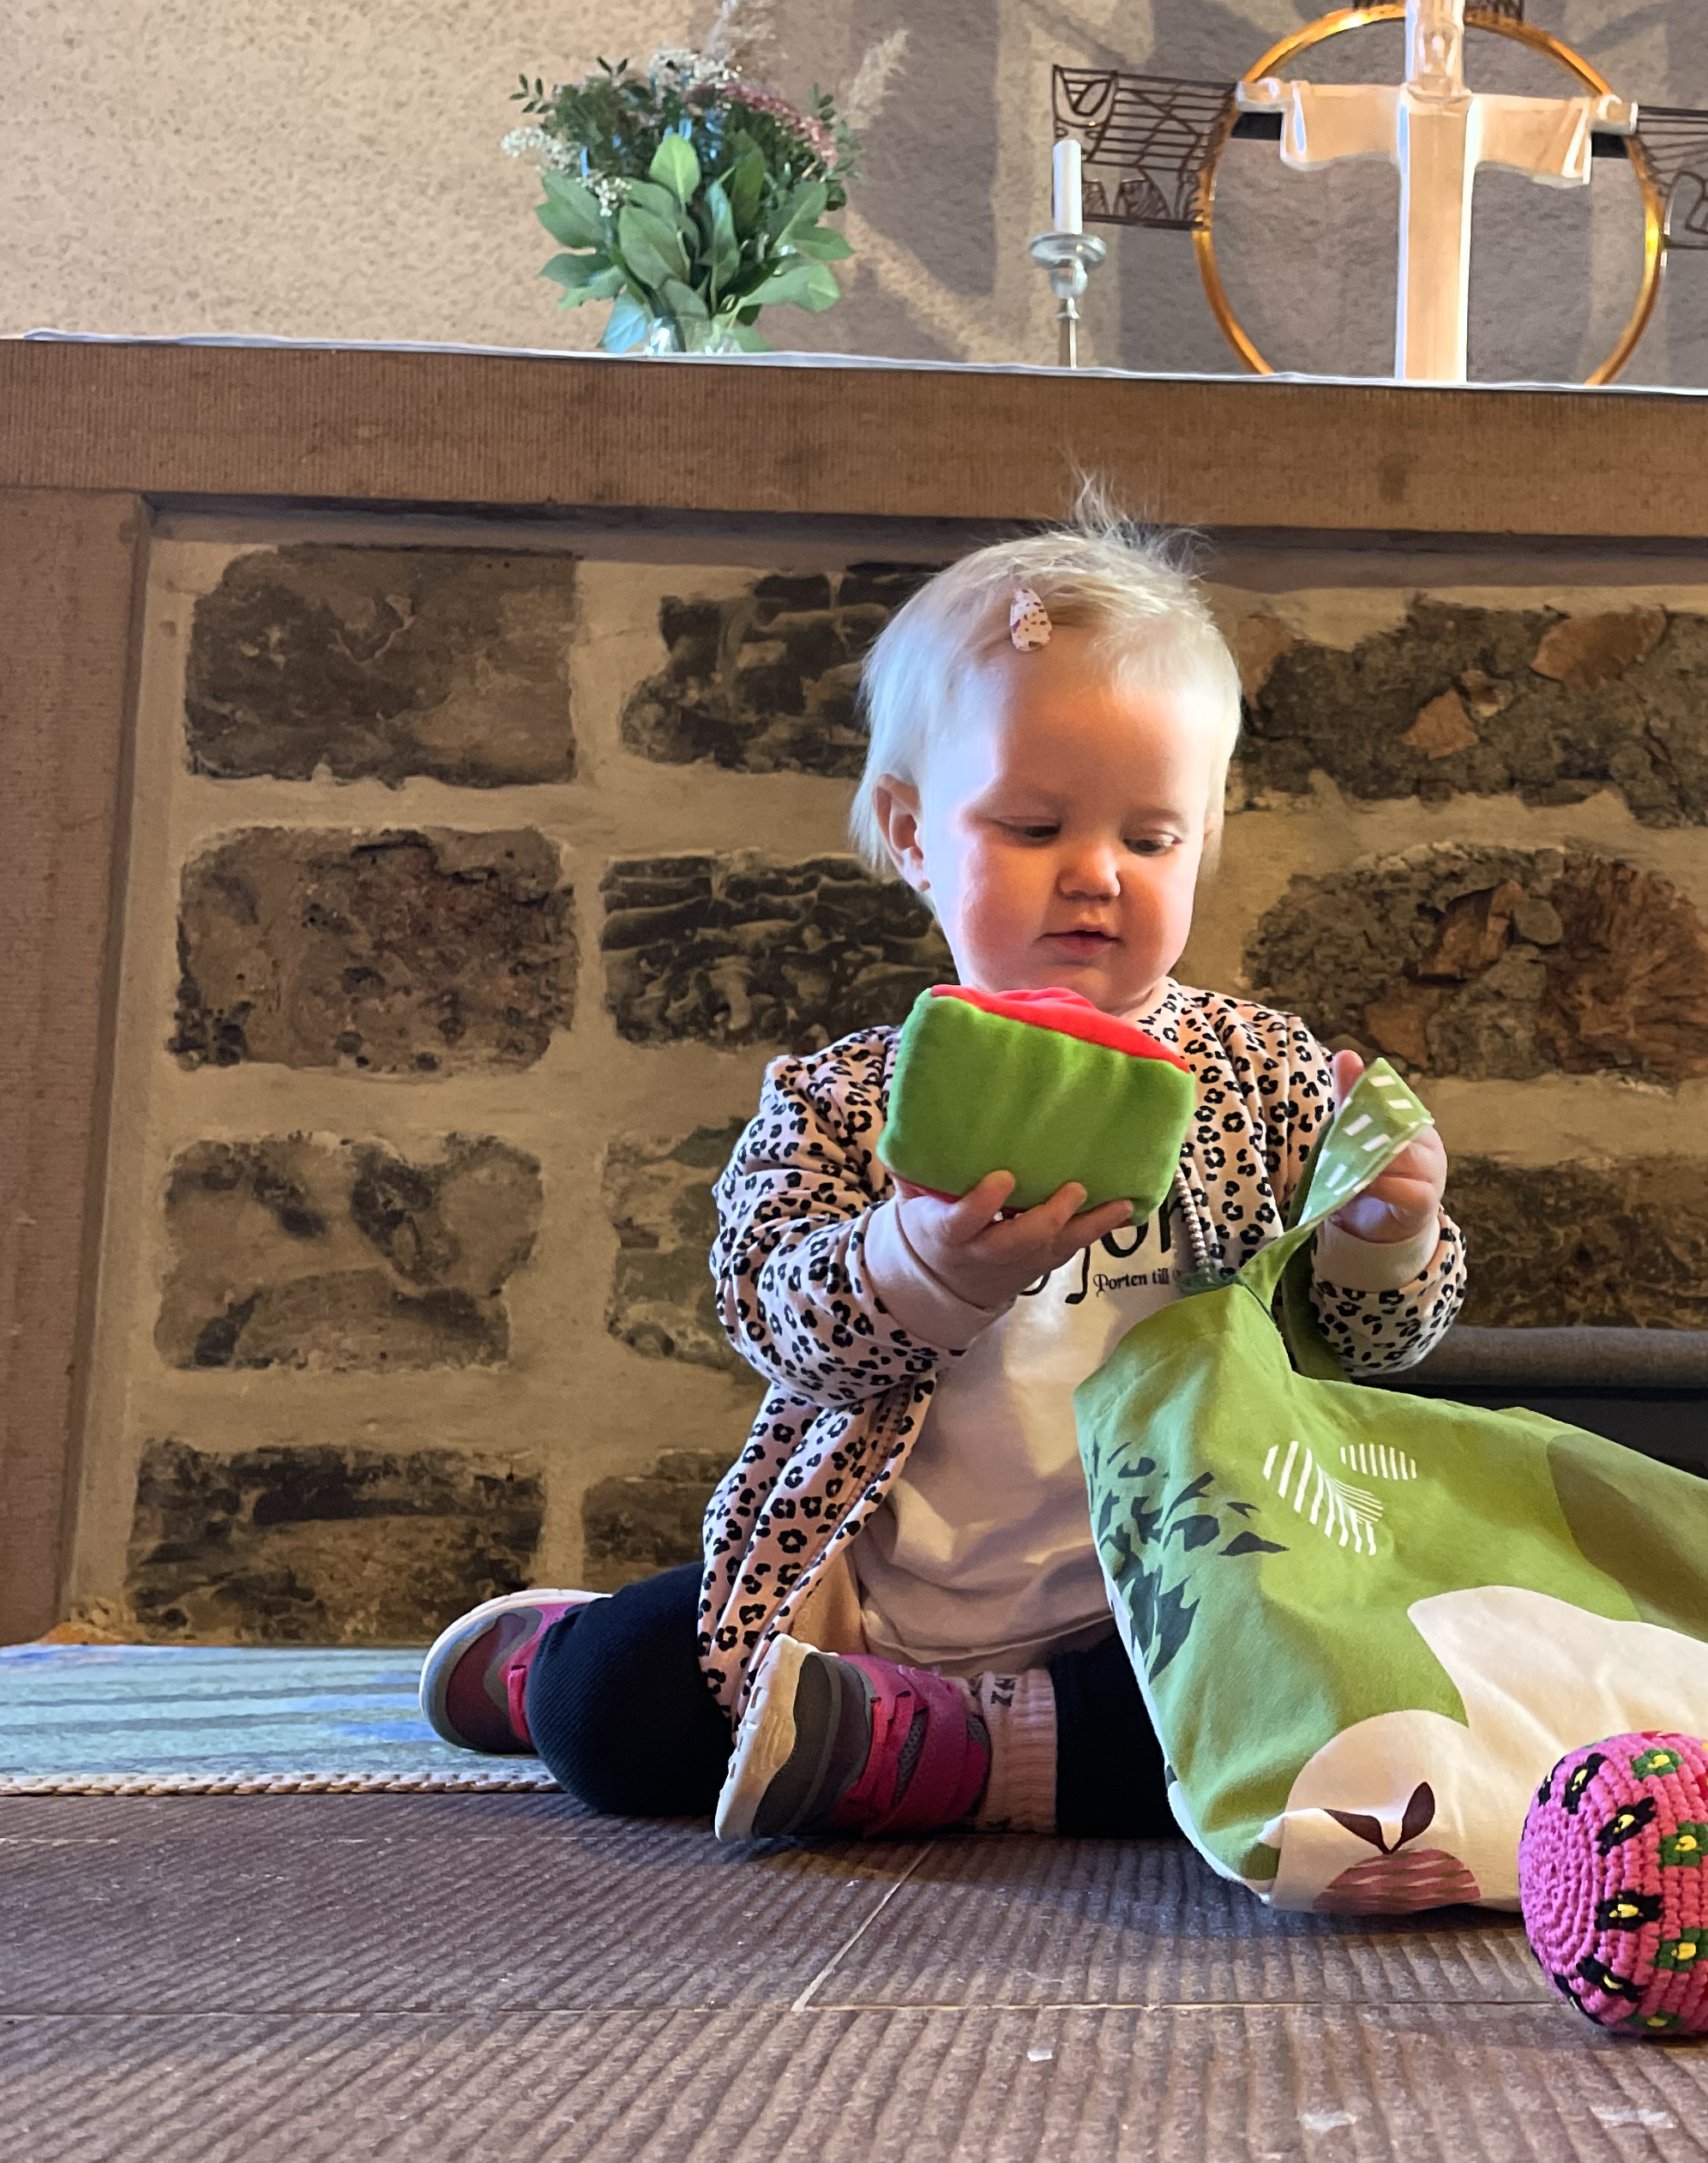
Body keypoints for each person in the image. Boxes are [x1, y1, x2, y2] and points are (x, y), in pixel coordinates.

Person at [416, 513, 1465, 1841]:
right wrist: (916, 1270)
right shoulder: (846, 1095)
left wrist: (1385, 1235)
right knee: (619, 1710)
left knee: (1321, 1724)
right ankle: (549, 1659)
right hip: (864, 1593)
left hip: (1154, 1611)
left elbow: (1365, 1350)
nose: (1096, 872)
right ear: (912, 833)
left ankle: (949, 1757)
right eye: (1033, 824)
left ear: (1207, 838)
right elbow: (761, 1301)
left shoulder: (1266, 1077)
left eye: (1153, 839)